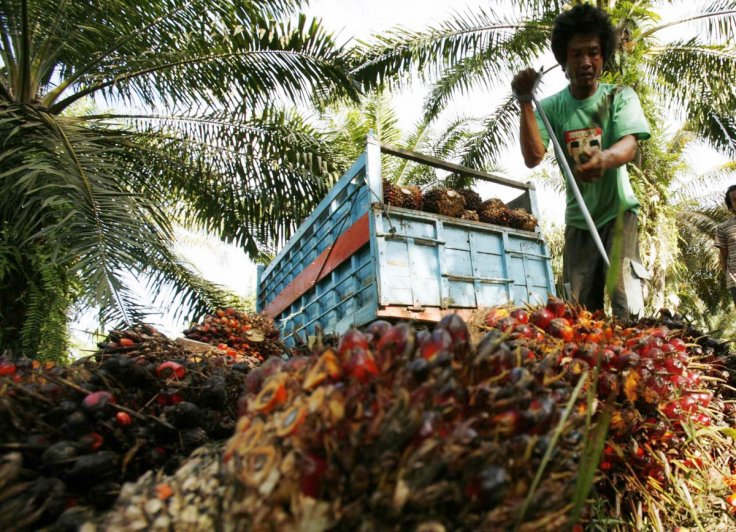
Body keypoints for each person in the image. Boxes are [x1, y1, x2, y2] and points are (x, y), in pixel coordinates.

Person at [510, 3, 651, 320]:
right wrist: (525, 103)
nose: (586, 62)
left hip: (619, 215)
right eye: (576, 54)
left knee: (628, 306)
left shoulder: (620, 96)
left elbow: (628, 145)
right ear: (564, 59)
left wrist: (606, 158)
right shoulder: (552, 107)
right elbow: (533, 157)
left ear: (603, 56)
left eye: (594, 52)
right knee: (577, 315)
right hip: (578, 221)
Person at [715, 185, 736, 307]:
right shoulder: (723, 228)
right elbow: (723, 257)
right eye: (734, 199)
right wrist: (728, 275)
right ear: (731, 205)